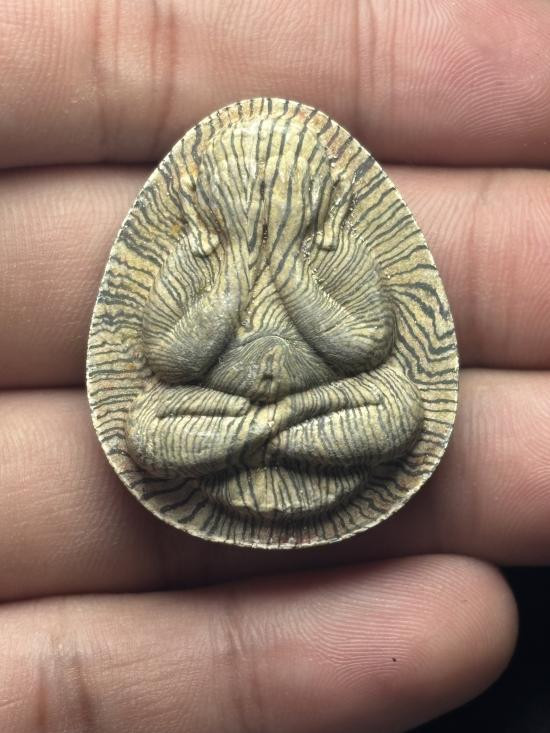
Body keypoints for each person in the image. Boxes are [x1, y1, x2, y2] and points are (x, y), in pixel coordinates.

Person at [1, 1, 549, 730]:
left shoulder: (335, 250)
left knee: (400, 408)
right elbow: (169, 358)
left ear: (323, 196)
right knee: (149, 426)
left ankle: (268, 430)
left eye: (282, 189)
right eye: (246, 190)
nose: (263, 203)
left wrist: (293, 268)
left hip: (317, 412)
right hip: (221, 413)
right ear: (205, 198)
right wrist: (231, 270)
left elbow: (366, 346)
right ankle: (265, 431)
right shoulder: (195, 255)